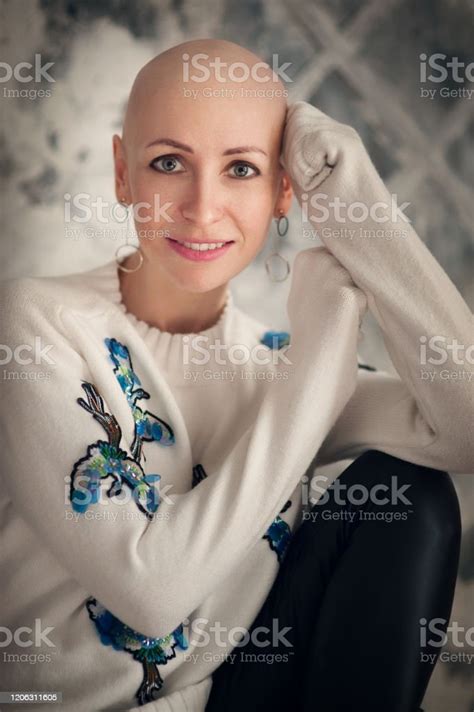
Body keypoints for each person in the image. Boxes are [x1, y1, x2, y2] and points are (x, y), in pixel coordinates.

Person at [0, 38, 471, 712]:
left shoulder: (281, 363)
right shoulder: (32, 325)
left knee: (411, 494)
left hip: (238, 699)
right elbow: (151, 595)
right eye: (168, 163)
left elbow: (467, 428)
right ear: (122, 172)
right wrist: (314, 372)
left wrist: (361, 212)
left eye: (242, 169)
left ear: (286, 190)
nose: (201, 206)